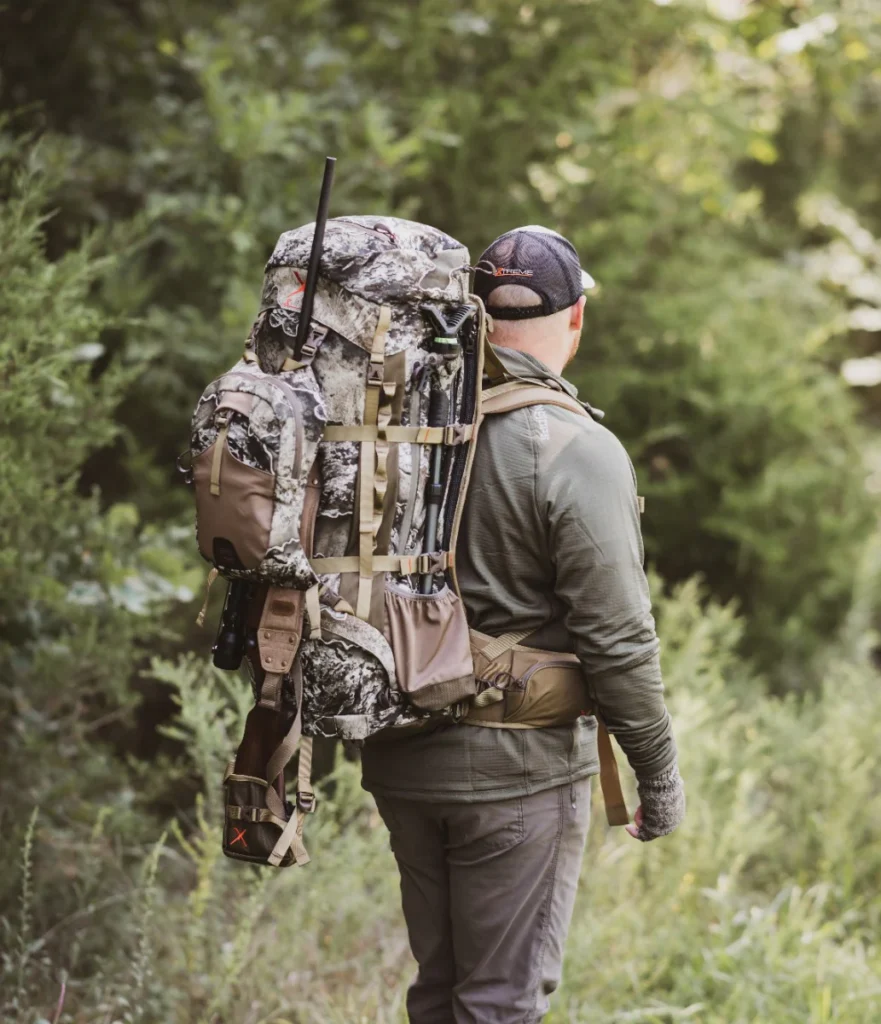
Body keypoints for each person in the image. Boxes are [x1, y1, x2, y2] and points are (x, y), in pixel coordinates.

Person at [360, 226, 685, 1024]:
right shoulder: (573, 447)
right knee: (500, 1003)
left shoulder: (401, 425)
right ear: (575, 318)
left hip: (400, 760)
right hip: (516, 772)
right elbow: (617, 639)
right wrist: (657, 773)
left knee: (439, 992)